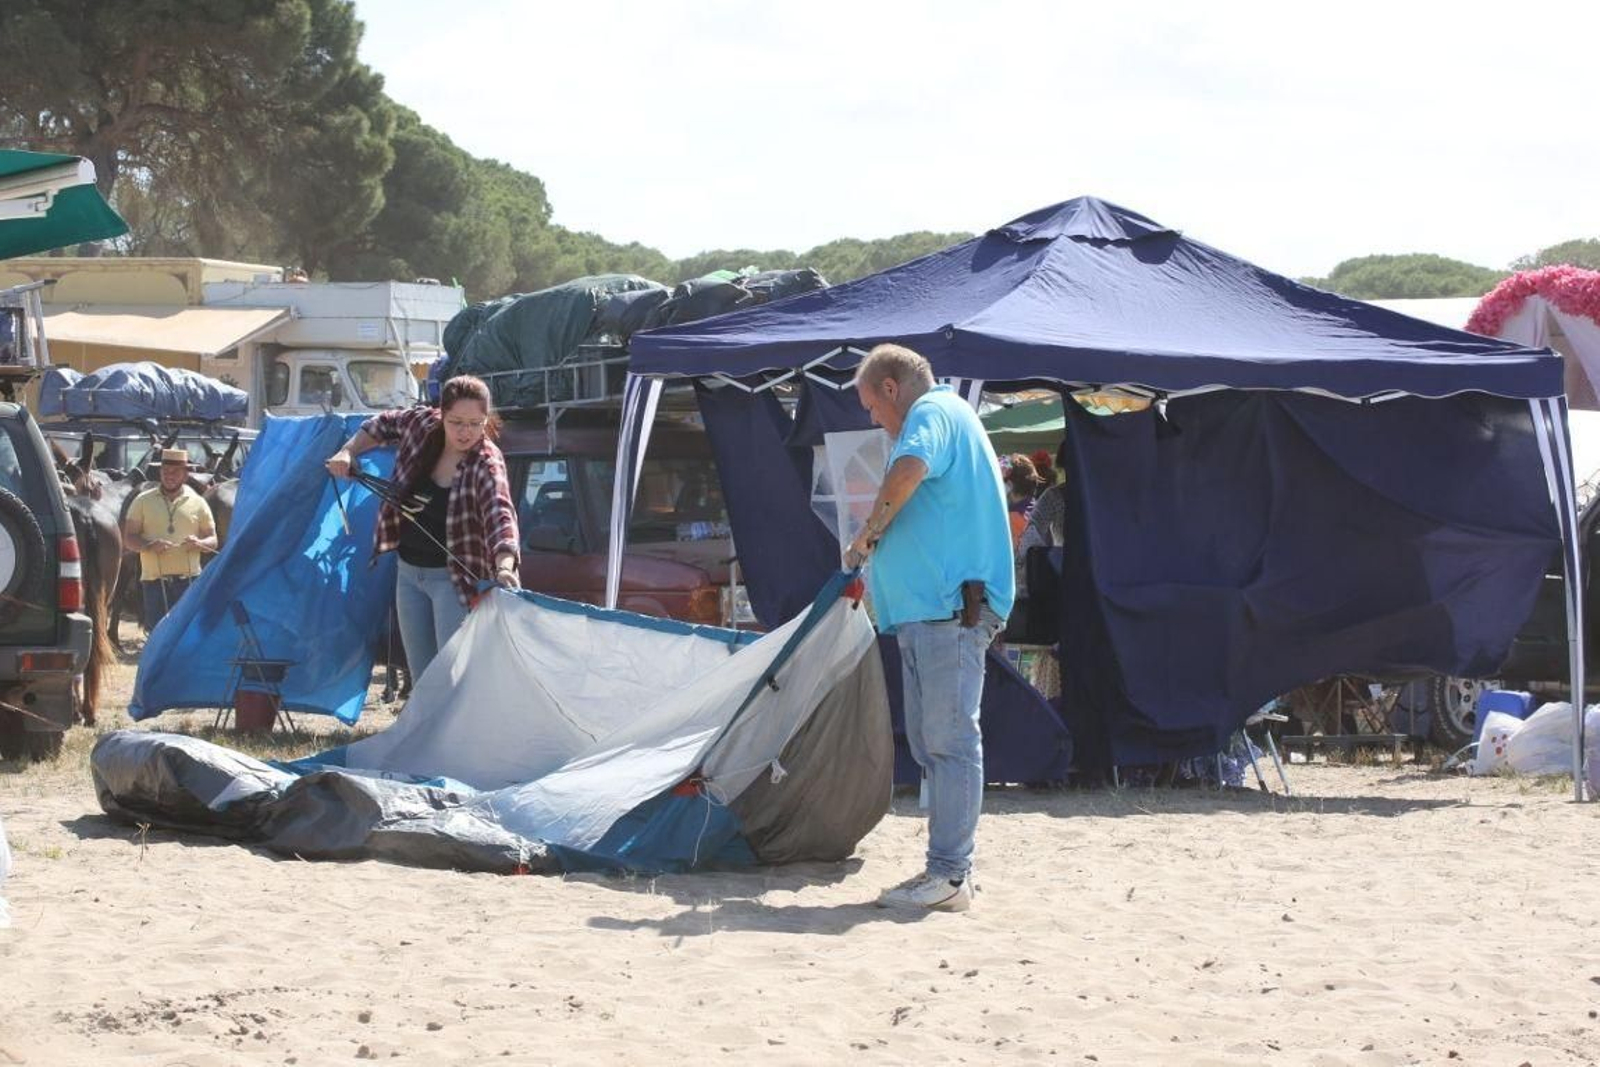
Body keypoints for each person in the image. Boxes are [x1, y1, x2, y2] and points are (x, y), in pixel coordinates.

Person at [845, 343, 1014, 913]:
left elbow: (911, 468)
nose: (873, 420)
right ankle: (946, 872)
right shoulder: (944, 415)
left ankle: (949, 876)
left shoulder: (932, 414)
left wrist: (869, 532)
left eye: (872, 405)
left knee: (948, 742)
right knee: (932, 742)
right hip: (931, 614)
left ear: (892, 388)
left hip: (950, 612)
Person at [325, 375, 521, 678]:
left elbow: (501, 516)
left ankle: (457, 727)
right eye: (456, 422)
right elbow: (381, 424)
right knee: (422, 680)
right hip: (408, 573)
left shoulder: (487, 462)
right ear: (441, 414)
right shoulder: (420, 425)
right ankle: (425, 727)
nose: (465, 432)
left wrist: (505, 567)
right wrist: (348, 452)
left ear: (486, 420)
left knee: (450, 679)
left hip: (455, 582)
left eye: (475, 423)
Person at [124, 448, 218, 629]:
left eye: (175, 472)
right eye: (165, 471)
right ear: (160, 473)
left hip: (189, 581)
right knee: (156, 634)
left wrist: (200, 543)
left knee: (185, 633)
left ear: (185, 474)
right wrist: (149, 546)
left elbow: (213, 540)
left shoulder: (198, 502)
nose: (169, 476)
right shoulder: (142, 500)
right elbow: (129, 538)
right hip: (154, 582)